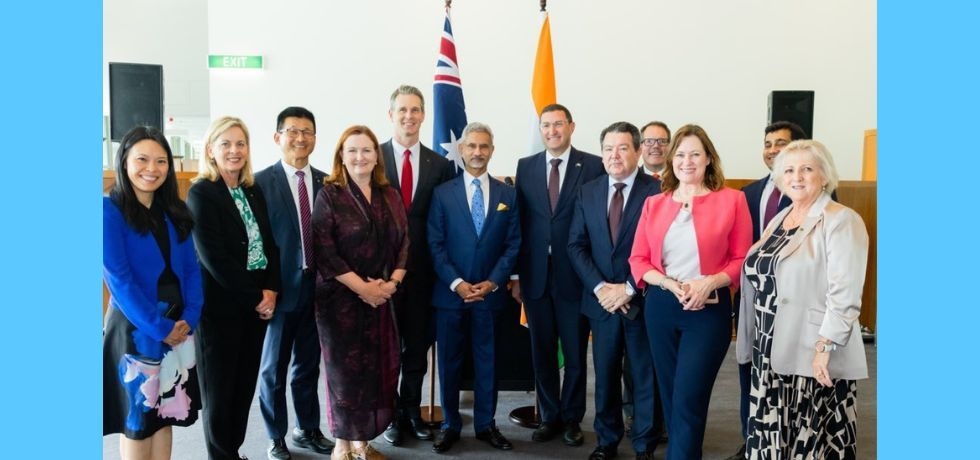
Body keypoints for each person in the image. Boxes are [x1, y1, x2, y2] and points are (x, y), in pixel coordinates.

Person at [735, 140, 869, 459]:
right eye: (790, 170)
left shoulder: (841, 220)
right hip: (769, 350)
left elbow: (845, 294)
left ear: (824, 176)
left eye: (807, 169)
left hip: (812, 353)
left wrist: (824, 349)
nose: (797, 176)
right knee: (771, 438)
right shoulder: (780, 219)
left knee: (810, 443)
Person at [628, 124, 752, 460]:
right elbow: (638, 259)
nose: (687, 161)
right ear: (671, 160)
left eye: (695, 154)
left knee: (688, 396)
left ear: (709, 159)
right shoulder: (654, 204)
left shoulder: (733, 201)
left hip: (707, 311)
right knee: (671, 397)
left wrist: (709, 282)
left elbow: (742, 259)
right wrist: (669, 283)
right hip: (662, 308)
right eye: (680, 154)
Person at [103, 126, 202, 460]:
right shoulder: (108, 212)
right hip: (136, 329)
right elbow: (120, 280)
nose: (152, 168)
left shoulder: (174, 211)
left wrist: (190, 317)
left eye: (161, 161)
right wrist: (160, 329)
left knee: (165, 413)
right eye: (142, 159)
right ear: (125, 162)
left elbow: (191, 269)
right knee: (138, 418)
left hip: (178, 324)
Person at [311, 125, 408, 460]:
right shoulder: (329, 194)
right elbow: (325, 250)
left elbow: (405, 242)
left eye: (366, 150)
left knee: (376, 371)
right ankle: (342, 443)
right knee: (343, 375)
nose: (359, 156)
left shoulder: (389, 194)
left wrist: (391, 284)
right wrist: (363, 288)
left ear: (376, 155)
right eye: (351, 150)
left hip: (382, 298)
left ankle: (362, 442)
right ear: (341, 155)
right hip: (339, 301)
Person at [188, 116, 281, 460]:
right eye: (225, 143)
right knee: (219, 392)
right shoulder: (201, 192)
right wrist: (258, 297)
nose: (234, 150)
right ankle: (221, 455)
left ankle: (234, 451)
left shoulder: (251, 189)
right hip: (220, 308)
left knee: (242, 389)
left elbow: (270, 245)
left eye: (240, 143)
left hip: (256, 306)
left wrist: (271, 290)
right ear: (211, 149)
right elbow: (216, 259)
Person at [567, 122, 662, 460]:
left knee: (643, 377)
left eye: (623, 148)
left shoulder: (657, 192)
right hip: (601, 303)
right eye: (608, 148)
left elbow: (660, 249)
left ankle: (644, 445)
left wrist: (628, 288)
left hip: (642, 301)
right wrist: (600, 288)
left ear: (637, 152)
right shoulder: (588, 191)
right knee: (605, 376)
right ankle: (606, 442)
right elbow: (576, 245)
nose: (615, 155)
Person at [512, 103, 604, 447]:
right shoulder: (526, 166)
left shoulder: (593, 165)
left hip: (575, 276)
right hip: (535, 276)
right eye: (546, 125)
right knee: (542, 351)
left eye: (558, 124)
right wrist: (518, 276)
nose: (552, 131)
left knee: (577, 354)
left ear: (571, 126)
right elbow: (520, 223)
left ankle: (572, 418)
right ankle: (549, 416)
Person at [427, 122, 520, 454]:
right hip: (451, 296)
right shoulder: (442, 194)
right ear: (462, 150)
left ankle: (485, 424)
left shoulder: (508, 194)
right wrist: (458, 283)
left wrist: (493, 281)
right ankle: (451, 424)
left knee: (488, 362)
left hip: (490, 297)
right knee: (449, 363)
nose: (478, 152)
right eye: (472, 146)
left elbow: (513, 244)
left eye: (484, 146)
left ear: (492, 151)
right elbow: (435, 244)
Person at [255, 107, 334, 460]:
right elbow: (254, 242)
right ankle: (276, 436)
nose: (300, 138)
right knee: (273, 368)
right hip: (278, 291)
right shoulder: (257, 183)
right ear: (277, 137)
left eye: (307, 131)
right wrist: (261, 288)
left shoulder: (328, 183)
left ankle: (308, 428)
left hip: (317, 290)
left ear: (315, 139)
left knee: (308, 365)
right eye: (292, 131)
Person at [379, 85, 456, 446]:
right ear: (390, 114)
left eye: (415, 110)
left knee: (417, 348)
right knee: (386, 348)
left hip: (424, 274)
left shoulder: (439, 165)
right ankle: (390, 414)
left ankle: (411, 410)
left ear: (424, 115)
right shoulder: (371, 157)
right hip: (380, 275)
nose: (408, 116)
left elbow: (443, 222)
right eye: (402, 110)